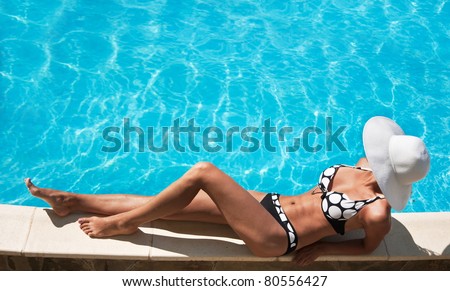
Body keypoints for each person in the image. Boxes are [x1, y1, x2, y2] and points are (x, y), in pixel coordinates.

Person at [24, 116, 430, 266]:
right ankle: (71, 201)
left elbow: (368, 249)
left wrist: (322, 248)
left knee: (203, 172)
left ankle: (123, 224)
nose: (371, 154)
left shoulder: (377, 210)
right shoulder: (359, 166)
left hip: (277, 237)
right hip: (268, 205)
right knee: (166, 205)